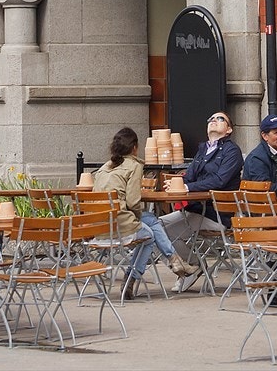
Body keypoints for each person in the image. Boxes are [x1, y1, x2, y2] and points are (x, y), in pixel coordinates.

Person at [92, 127, 195, 297]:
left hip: (99, 225)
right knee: (149, 236)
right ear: (134, 147)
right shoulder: (133, 165)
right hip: (119, 225)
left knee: (151, 220)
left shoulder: (104, 167)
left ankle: (175, 261)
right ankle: (132, 278)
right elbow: (133, 202)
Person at [160, 109, 244, 266]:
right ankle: (189, 267)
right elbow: (189, 177)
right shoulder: (203, 150)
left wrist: (186, 187)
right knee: (155, 227)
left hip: (215, 214)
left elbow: (219, 181)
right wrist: (176, 183)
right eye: (211, 118)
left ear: (229, 130)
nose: (214, 120)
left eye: (220, 119)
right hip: (195, 210)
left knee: (164, 232)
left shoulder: (232, 151)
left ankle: (193, 265)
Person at [242, 115, 277, 191]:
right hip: (261, 202)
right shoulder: (257, 158)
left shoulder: (276, 152)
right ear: (265, 136)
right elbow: (264, 187)